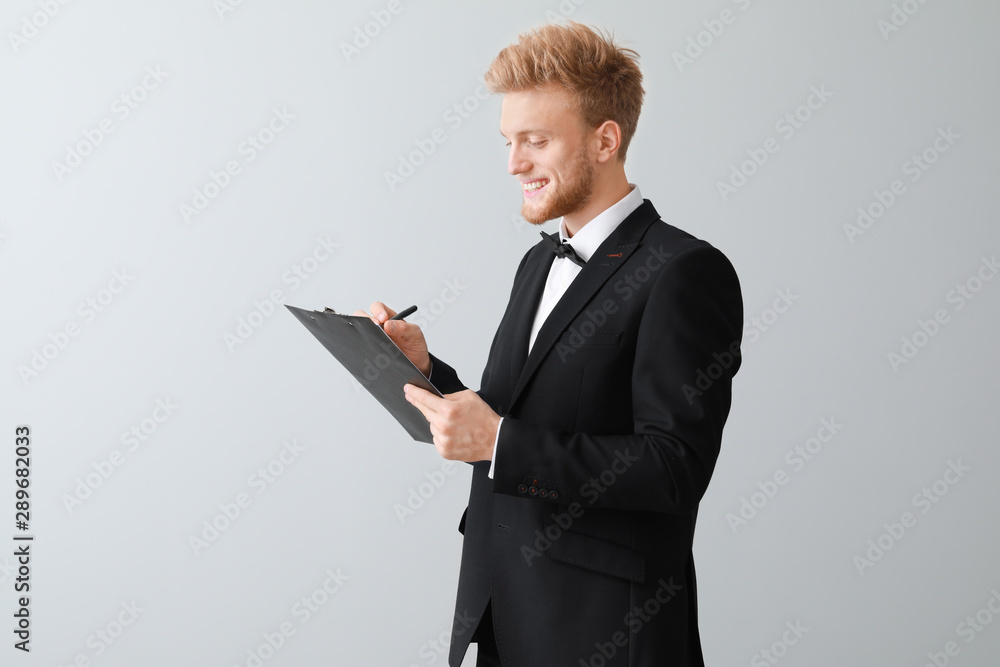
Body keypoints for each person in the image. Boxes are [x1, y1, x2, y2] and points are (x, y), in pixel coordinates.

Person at [356, 21, 743, 667]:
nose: (513, 163)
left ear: (605, 139)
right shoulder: (538, 264)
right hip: (506, 609)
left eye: (534, 141)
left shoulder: (684, 271)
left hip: (604, 631)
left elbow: (674, 468)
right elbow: (516, 414)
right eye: (509, 142)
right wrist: (425, 371)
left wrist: (501, 442)